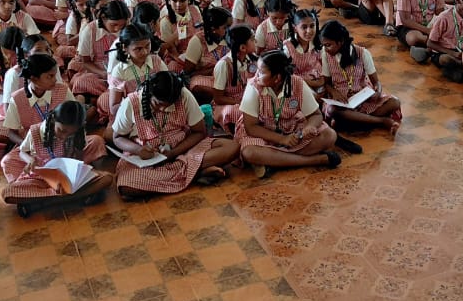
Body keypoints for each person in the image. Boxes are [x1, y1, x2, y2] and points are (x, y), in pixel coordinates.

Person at [111, 72, 239, 197]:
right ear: (149, 94)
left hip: (184, 149)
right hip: (147, 157)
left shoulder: (184, 95)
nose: (162, 109)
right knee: (126, 186)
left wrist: (173, 153)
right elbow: (117, 138)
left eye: (168, 106)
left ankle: (184, 174)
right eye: (158, 104)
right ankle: (196, 173)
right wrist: (138, 150)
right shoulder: (131, 103)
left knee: (232, 147)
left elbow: (199, 132)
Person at [235, 50, 341, 175]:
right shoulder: (253, 86)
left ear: (277, 78)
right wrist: (282, 139)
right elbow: (251, 127)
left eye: (261, 72)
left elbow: (316, 115)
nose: (256, 74)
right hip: (262, 132)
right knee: (249, 152)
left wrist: (309, 127)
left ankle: (275, 161)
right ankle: (315, 160)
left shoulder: (297, 83)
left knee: (329, 135)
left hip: (291, 128)